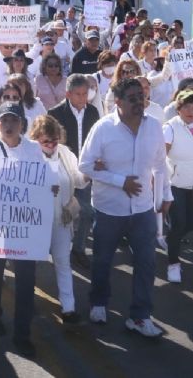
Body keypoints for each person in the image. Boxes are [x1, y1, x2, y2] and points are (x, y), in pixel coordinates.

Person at [79, 77, 170, 337]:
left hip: (143, 209)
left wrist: (166, 193)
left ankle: (140, 316)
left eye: (140, 97)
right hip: (110, 209)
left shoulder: (154, 127)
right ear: (117, 102)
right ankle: (98, 302)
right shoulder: (103, 128)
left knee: (147, 262)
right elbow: (85, 166)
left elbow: (160, 164)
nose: (138, 103)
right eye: (132, 98)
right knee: (103, 260)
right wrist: (120, 182)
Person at [0, 102, 48, 355]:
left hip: (24, 225)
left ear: (22, 125)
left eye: (13, 121)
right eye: (4, 121)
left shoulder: (33, 150)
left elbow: (42, 181)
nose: (8, 125)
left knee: (26, 280)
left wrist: (51, 188)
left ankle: (22, 334)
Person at [30, 115, 86, 323]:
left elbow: (78, 180)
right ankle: (27, 301)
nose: (51, 145)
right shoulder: (29, 155)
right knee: (32, 263)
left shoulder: (65, 153)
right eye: (46, 141)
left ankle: (69, 308)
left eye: (54, 140)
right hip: (36, 221)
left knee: (63, 262)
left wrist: (88, 174)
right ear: (36, 139)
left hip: (62, 219)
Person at [48, 74, 101, 268]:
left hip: (85, 172)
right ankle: (56, 248)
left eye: (85, 94)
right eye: (78, 94)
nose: (82, 98)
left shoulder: (93, 112)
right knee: (60, 212)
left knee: (86, 212)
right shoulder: (54, 113)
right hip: (62, 172)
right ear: (68, 94)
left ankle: (78, 249)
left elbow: (97, 140)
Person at [161, 91, 193, 283]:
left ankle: (171, 239)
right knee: (179, 222)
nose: (191, 111)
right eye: (186, 106)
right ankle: (173, 263)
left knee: (192, 223)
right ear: (178, 108)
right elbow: (160, 158)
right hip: (176, 184)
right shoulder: (170, 128)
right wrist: (161, 186)